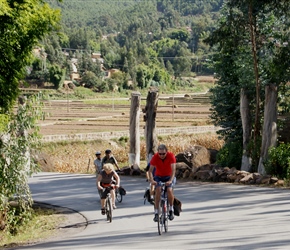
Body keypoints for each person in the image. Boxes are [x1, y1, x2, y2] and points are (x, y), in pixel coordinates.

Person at [149, 144, 176, 222]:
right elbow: (150, 171)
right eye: (160, 154)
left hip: (169, 176)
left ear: (166, 152)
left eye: (163, 154)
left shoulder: (171, 156)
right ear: (158, 153)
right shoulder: (155, 157)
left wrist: (170, 180)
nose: (161, 155)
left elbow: (173, 170)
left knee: (169, 190)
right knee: (158, 190)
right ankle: (156, 213)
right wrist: (152, 180)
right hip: (159, 176)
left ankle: (171, 209)